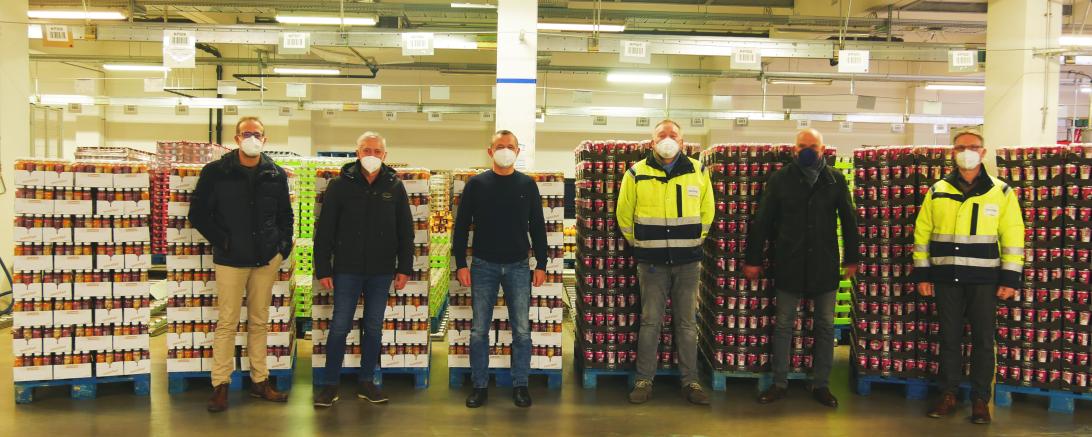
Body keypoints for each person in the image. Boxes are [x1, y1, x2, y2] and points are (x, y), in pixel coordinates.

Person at [912, 128, 1023, 425]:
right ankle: (948, 394)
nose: (967, 151)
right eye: (961, 147)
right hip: (947, 277)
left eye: (973, 146)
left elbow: (1013, 235)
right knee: (949, 338)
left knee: (984, 341)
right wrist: (923, 274)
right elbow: (922, 234)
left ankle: (979, 399)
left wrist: (1010, 278)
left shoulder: (1001, 192)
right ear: (953, 152)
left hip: (984, 280)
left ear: (983, 152)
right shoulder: (938, 190)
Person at [744, 128, 859, 408]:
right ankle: (779, 383)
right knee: (783, 325)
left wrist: (853, 258)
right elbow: (763, 221)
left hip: (824, 263)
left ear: (823, 150)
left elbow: (849, 220)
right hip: (789, 262)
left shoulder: (836, 180)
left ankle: (821, 384)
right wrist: (753, 259)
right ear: (794, 150)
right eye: (802, 146)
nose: (807, 151)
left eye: (813, 146)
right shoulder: (781, 179)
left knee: (824, 325)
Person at [189, 116, 294, 413]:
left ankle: (260, 381)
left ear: (265, 139)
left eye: (257, 134)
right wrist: (223, 241)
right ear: (236, 139)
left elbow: (286, 216)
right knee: (227, 322)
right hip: (231, 260)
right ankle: (220, 385)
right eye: (246, 133)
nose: (252, 138)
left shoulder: (275, 174)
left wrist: (282, 248)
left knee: (259, 321)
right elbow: (198, 214)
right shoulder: (216, 172)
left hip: (265, 260)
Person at [312, 131, 414, 408]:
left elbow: (406, 230)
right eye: (366, 150)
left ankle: (367, 381)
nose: (372, 155)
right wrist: (323, 268)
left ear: (385, 155)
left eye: (377, 151)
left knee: (373, 327)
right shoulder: (339, 185)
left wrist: (404, 267)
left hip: (381, 271)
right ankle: (330, 384)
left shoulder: (394, 186)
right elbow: (325, 232)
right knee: (339, 326)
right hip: (346, 269)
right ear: (357, 153)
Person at [616, 119, 714, 405]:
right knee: (650, 322)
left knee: (686, 323)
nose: (668, 139)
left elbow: (708, 212)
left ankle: (691, 382)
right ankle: (644, 380)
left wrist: (697, 239)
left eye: (673, 135)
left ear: (683, 143)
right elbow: (624, 215)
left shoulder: (698, 171)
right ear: (652, 142)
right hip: (652, 263)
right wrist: (643, 245)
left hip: (688, 262)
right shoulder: (636, 174)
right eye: (662, 135)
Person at [454, 130, 548, 409]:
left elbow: (538, 227)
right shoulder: (476, 185)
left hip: (519, 265)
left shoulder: (527, 185)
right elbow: (461, 227)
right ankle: (479, 386)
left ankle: (521, 384)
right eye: (500, 146)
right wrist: (461, 262)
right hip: (483, 265)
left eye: (510, 146)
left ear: (518, 152)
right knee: (478, 330)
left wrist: (541, 263)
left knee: (521, 330)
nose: (505, 150)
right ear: (489, 151)